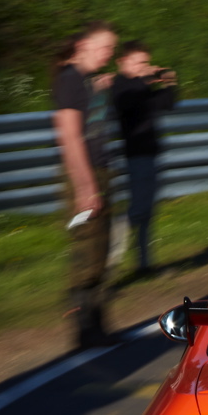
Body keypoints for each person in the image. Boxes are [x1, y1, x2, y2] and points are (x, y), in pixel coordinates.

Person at [53, 22, 119, 348]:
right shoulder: (69, 79)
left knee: (101, 250)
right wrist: (85, 186)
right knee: (87, 251)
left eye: (112, 48)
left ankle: (98, 326)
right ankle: (84, 331)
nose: (109, 54)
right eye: (104, 47)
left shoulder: (84, 80)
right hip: (84, 174)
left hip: (99, 171)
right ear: (83, 45)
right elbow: (69, 137)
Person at [111, 40, 174, 277]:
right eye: (138, 63)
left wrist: (169, 82)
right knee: (138, 210)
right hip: (136, 155)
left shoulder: (140, 86)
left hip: (150, 152)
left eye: (145, 62)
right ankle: (110, 254)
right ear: (122, 62)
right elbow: (126, 102)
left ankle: (144, 264)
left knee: (147, 212)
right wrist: (145, 79)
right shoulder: (121, 85)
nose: (143, 67)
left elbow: (167, 103)